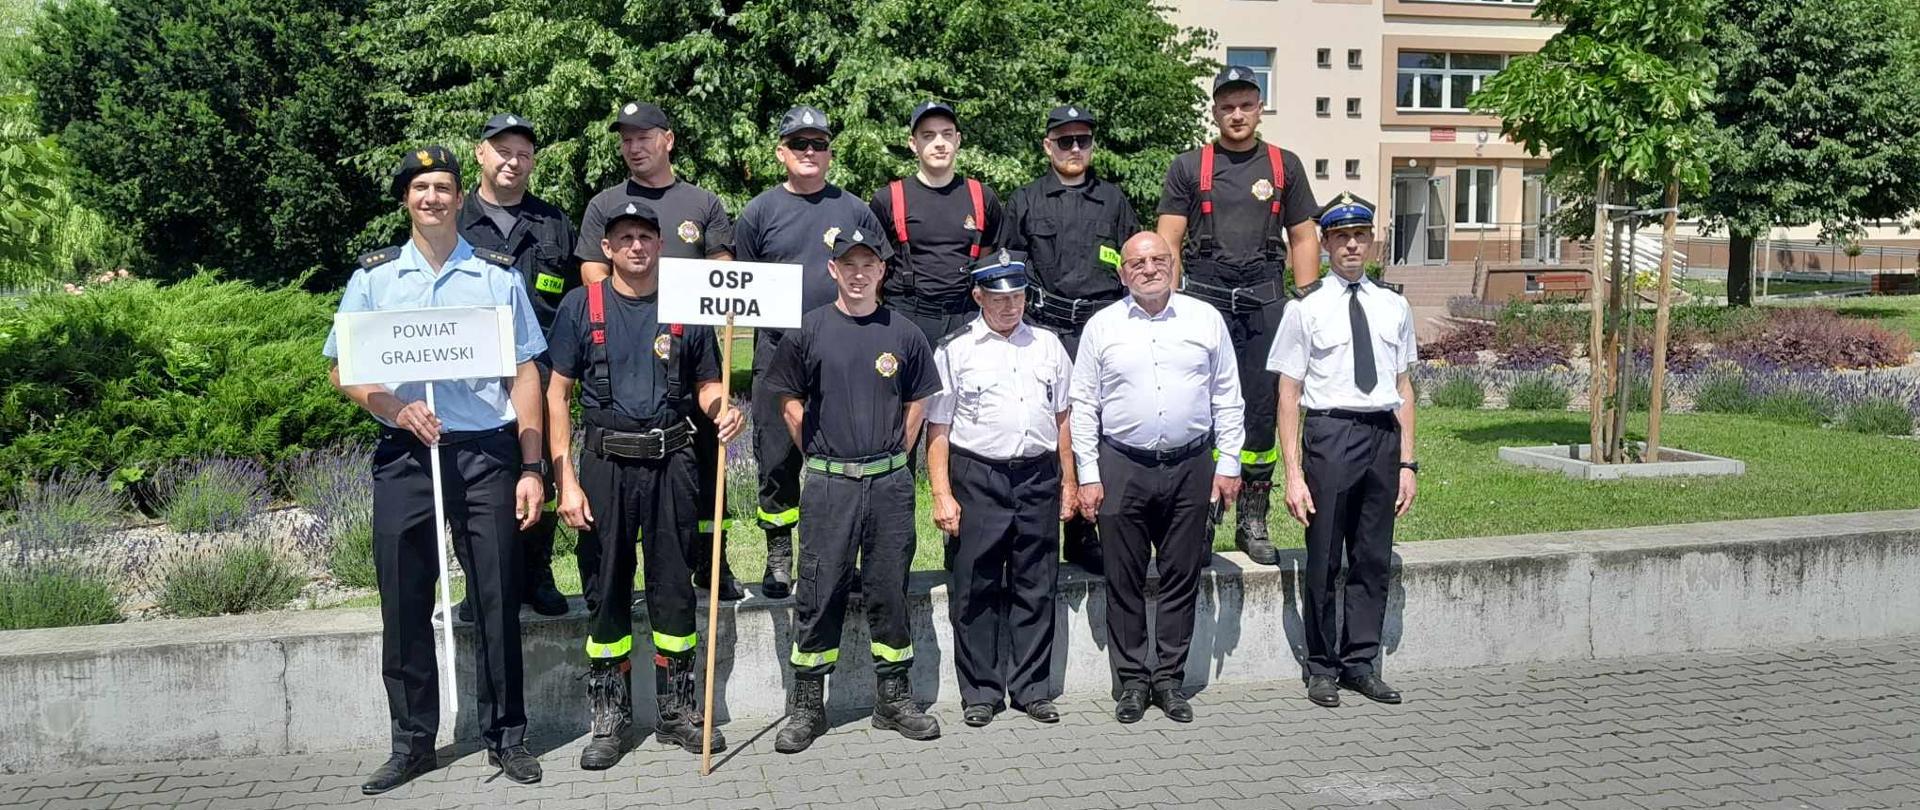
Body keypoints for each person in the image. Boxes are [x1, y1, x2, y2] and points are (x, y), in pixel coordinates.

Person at [325, 146, 545, 793]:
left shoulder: (496, 275)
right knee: (404, 598)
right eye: (421, 187)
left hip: (485, 452)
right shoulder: (375, 278)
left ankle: (508, 736)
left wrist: (532, 465)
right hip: (406, 455)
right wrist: (390, 405)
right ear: (406, 199)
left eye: (443, 186)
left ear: (459, 196)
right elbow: (343, 367)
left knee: (499, 597)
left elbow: (526, 369)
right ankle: (413, 742)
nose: (433, 197)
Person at [545, 201, 746, 767]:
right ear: (606, 248)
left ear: (660, 245)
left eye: (645, 237)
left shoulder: (689, 307)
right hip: (604, 467)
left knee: (673, 586)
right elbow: (557, 394)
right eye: (624, 237)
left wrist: (723, 408)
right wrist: (566, 481)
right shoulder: (580, 307)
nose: (635, 246)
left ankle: (678, 711)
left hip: (673, 462)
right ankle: (609, 719)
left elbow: (708, 382)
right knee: (605, 586)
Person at [762, 227, 943, 753]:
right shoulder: (809, 331)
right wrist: (819, 453)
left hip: (888, 486)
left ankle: (893, 700)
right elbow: (787, 400)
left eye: (869, 264)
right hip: (828, 485)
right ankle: (807, 707)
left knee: (888, 588)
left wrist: (894, 457)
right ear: (833, 271)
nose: (859, 273)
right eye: (849, 265)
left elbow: (918, 403)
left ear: (882, 271)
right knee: (819, 591)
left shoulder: (905, 333)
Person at [1070, 231, 1244, 725]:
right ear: (1123, 273)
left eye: (1158, 259)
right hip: (1122, 465)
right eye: (1137, 262)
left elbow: (1228, 396)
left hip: (1191, 465)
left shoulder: (1205, 319)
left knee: (1180, 575)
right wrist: (1087, 473)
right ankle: (1131, 681)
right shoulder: (1102, 326)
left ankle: (1168, 679)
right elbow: (1084, 405)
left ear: (1174, 264)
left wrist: (1228, 462)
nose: (1148, 268)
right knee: (1122, 577)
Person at [577, 101, 745, 601]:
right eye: (626, 139)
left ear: (667, 140)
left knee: (704, 463)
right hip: (628, 353)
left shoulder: (702, 202)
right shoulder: (604, 204)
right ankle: (618, 576)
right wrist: (646, 299)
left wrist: (680, 304)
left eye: (644, 137)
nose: (634, 147)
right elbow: (591, 274)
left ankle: (713, 563)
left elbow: (723, 270)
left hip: (690, 352)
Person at [1154, 65, 1320, 567]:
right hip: (1204, 302)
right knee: (1198, 406)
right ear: (1215, 111)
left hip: (1265, 305)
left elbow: (1304, 236)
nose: (1237, 114)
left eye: (1246, 104)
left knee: (1261, 413)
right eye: (1227, 106)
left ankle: (1253, 516)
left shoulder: (1284, 165)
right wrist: (1167, 303)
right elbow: (1169, 240)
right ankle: (1200, 515)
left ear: (1260, 107)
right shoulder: (1189, 166)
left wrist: (1309, 300)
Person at [1269, 194, 1417, 709]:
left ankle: (1360, 662)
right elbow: (1288, 394)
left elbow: (1404, 386)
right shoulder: (1305, 309)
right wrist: (1292, 473)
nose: (1351, 245)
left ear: (1372, 241)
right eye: (1340, 237)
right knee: (1324, 555)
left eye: (1360, 236)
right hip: (1331, 436)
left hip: (1382, 436)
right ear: (1327, 245)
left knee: (1372, 558)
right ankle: (1321, 666)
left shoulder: (1393, 305)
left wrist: (1407, 462)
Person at [733, 105, 888, 600]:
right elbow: (744, 285)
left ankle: (844, 557)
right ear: (781, 152)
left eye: (818, 144)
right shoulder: (759, 212)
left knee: (847, 459)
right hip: (779, 352)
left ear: (829, 153)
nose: (809, 152)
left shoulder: (855, 209)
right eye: (799, 144)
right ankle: (780, 553)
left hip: (844, 351)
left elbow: (877, 277)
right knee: (776, 457)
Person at [926, 250, 1075, 727]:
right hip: (979, 477)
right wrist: (941, 493)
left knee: (1037, 583)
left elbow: (1063, 418)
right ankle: (981, 692)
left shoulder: (1049, 345)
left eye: (1018, 297)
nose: (1011, 306)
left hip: (1037, 475)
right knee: (975, 586)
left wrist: (1069, 481)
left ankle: (1033, 689)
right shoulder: (954, 349)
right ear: (978, 296)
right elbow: (939, 428)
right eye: (999, 297)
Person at [1004, 103, 1139, 577]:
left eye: (1083, 140)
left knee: (1094, 431)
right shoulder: (1024, 201)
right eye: (1065, 141)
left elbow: (1134, 268)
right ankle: (1038, 531)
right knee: (1044, 431)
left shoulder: (1115, 201)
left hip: (1100, 331)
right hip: (1044, 331)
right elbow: (1010, 272)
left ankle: (1084, 532)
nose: (1075, 149)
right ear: (1048, 146)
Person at [452, 112, 574, 620]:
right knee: (471, 479)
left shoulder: (553, 222)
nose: (513, 161)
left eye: (523, 153)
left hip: (538, 373)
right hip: (470, 377)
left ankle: (535, 573)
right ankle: (478, 584)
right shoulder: (453, 223)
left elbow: (569, 302)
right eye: (502, 150)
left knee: (538, 471)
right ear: (480, 154)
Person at [871, 101, 1006, 345]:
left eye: (947, 134)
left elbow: (988, 260)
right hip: (906, 316)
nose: (939, 143)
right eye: (928, 135)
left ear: (958, 140)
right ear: (913, 143)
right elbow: (875, 270)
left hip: (966, 316)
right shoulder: (887, 199)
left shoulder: (983, 197)